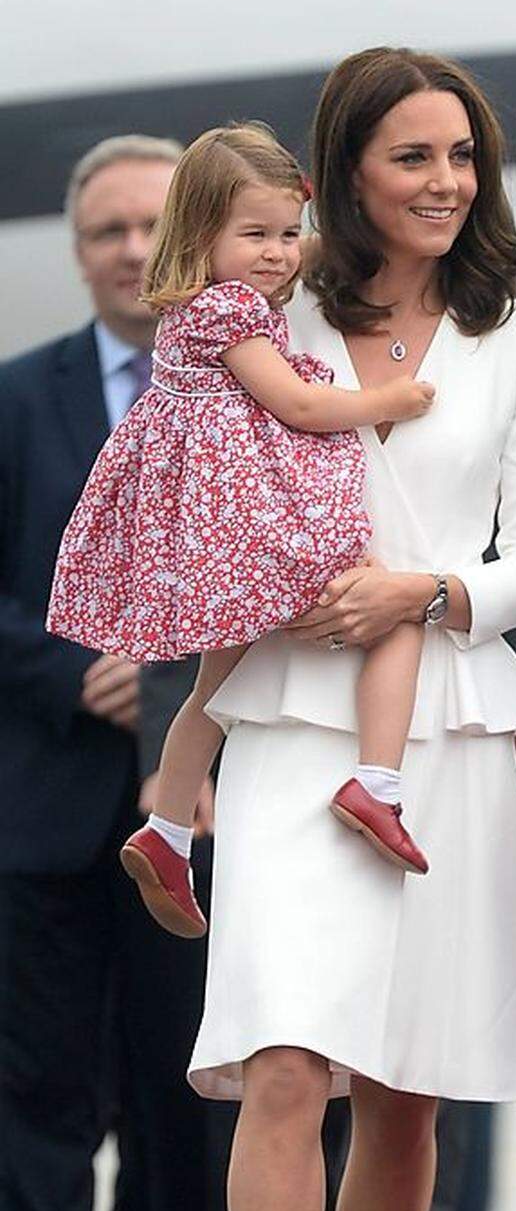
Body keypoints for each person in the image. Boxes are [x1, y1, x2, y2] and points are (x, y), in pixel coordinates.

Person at [184, 47, 516, 1211]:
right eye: (414, 156)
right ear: (349, 170)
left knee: (406, 1097)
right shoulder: (264, 315)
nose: (443, 182)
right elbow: (203, 506)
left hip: (450, 727)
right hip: (290, 715)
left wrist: (432, 591)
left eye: (461, 157)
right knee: (286, 1064)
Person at [0, 136, 244, 1211]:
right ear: (74, 245)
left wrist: (165, 675)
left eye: (154, 225)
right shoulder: (15, 399)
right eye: (105, 228)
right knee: (36, 1102)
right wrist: (67, 670)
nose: (129, 248)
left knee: (184, 1098)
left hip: (195, 815)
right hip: (43, 809)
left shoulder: (262, 399)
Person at [48, 124, 438, 938]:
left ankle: (165, 834)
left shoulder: (196, 308)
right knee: (396, 611)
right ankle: (377, 782)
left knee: (212, 692)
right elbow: (299, 407)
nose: (278, 254)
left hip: (227, 533)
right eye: (254, 235)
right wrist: (388, 399)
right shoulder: (229, 312)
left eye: (288, 234)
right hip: (258, 530)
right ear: (200, 236)